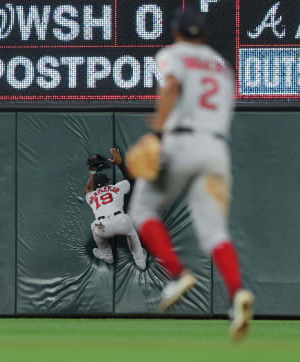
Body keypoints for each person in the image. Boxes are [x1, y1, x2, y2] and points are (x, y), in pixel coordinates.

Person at [128, 7, 254, 340]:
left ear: (178, 32)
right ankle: (237, 292)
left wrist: (156, 133)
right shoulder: (222, 66)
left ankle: (176, 274)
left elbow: (171, 87)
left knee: (141, 210)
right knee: (215, 233)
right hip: (216, 151)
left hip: (181, 142)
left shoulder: (174, 53)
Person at [85, 148, 147, 270]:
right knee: (131, 234)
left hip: (102, 227)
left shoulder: (91, 196)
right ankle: (140, 261)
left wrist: (92, 173)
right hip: (121, 221)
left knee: (94, 227)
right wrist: (120, 163)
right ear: (108, 183)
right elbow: (132, 180)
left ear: (96, 188)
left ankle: (107, 256)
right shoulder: (117, 187)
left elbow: (88, 189)